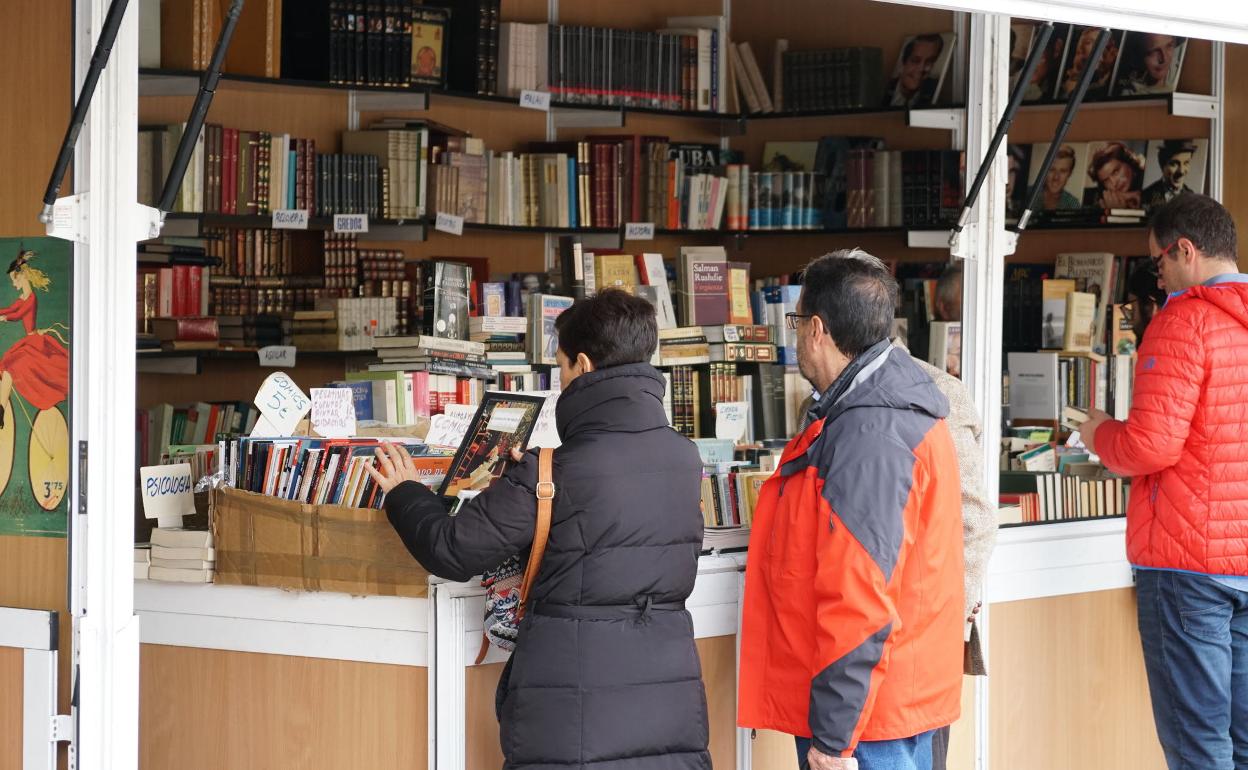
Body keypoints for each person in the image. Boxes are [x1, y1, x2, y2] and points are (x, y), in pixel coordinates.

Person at [368, 289, 711, 770]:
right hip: (668, 696)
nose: (560, 380)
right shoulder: (683, 456)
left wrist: (405, 491)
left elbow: (454, 549)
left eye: (561, 366)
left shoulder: (553, 471)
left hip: (572, 708)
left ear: (585, 366)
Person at [739, 249, 964, 770]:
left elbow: (859, 599)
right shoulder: (883, 409)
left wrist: (834, 738)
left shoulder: (870, 433)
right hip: (888, 703)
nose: (794, 336)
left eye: (795, 323)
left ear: (816, 329)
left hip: (870, 723)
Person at [1079, 194, 1248, 770]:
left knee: (1197, 744)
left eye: (1158, 264)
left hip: (1188, 562)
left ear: (1185, 250)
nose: (1159, 277)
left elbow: (1149, 446)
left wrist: (1098, 433)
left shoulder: (1184, 321)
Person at [0, 251, 69, 428]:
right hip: (29, 341)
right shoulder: (22, 297)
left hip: (34, 342)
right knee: (7, 366)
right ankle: (1, 409)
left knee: (11, 365)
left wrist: (5, 318)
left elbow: (17, 315)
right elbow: (9, 309)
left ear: (22, 277)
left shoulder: (31, 298)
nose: (14, 284)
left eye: (15, 280)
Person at [1116, 33, 1186, 95]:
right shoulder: (1132, 94)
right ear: (1139, 55)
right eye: (1154, 51)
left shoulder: (1183, 56)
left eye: (1169, 46)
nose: (1164, 59)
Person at [887, 34, 945, 107]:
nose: (921, 68)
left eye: (929, 61)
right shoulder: (885, 87)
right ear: (903, 63)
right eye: (915, 61)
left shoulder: (937, 91)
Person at [1083, 141, 1145, 210]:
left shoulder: (1147, 182)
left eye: (1115, 172)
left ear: (1128, 162)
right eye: (1106, 180)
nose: (1114, 183)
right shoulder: (1098, 194)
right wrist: (1126, 196)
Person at [1142, 140, 1198, 211]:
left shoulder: (1193, 198)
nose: (1181, 171)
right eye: (1174, 164)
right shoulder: (1146, 196)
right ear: (1162, 165)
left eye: (1186, 163)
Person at [1040, 145, 1081, 210]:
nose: (1056, 177)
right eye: (1052, 170)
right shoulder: (1026, 194)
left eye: (1063, 171)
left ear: (1069, 174)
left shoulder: (1073, 204)